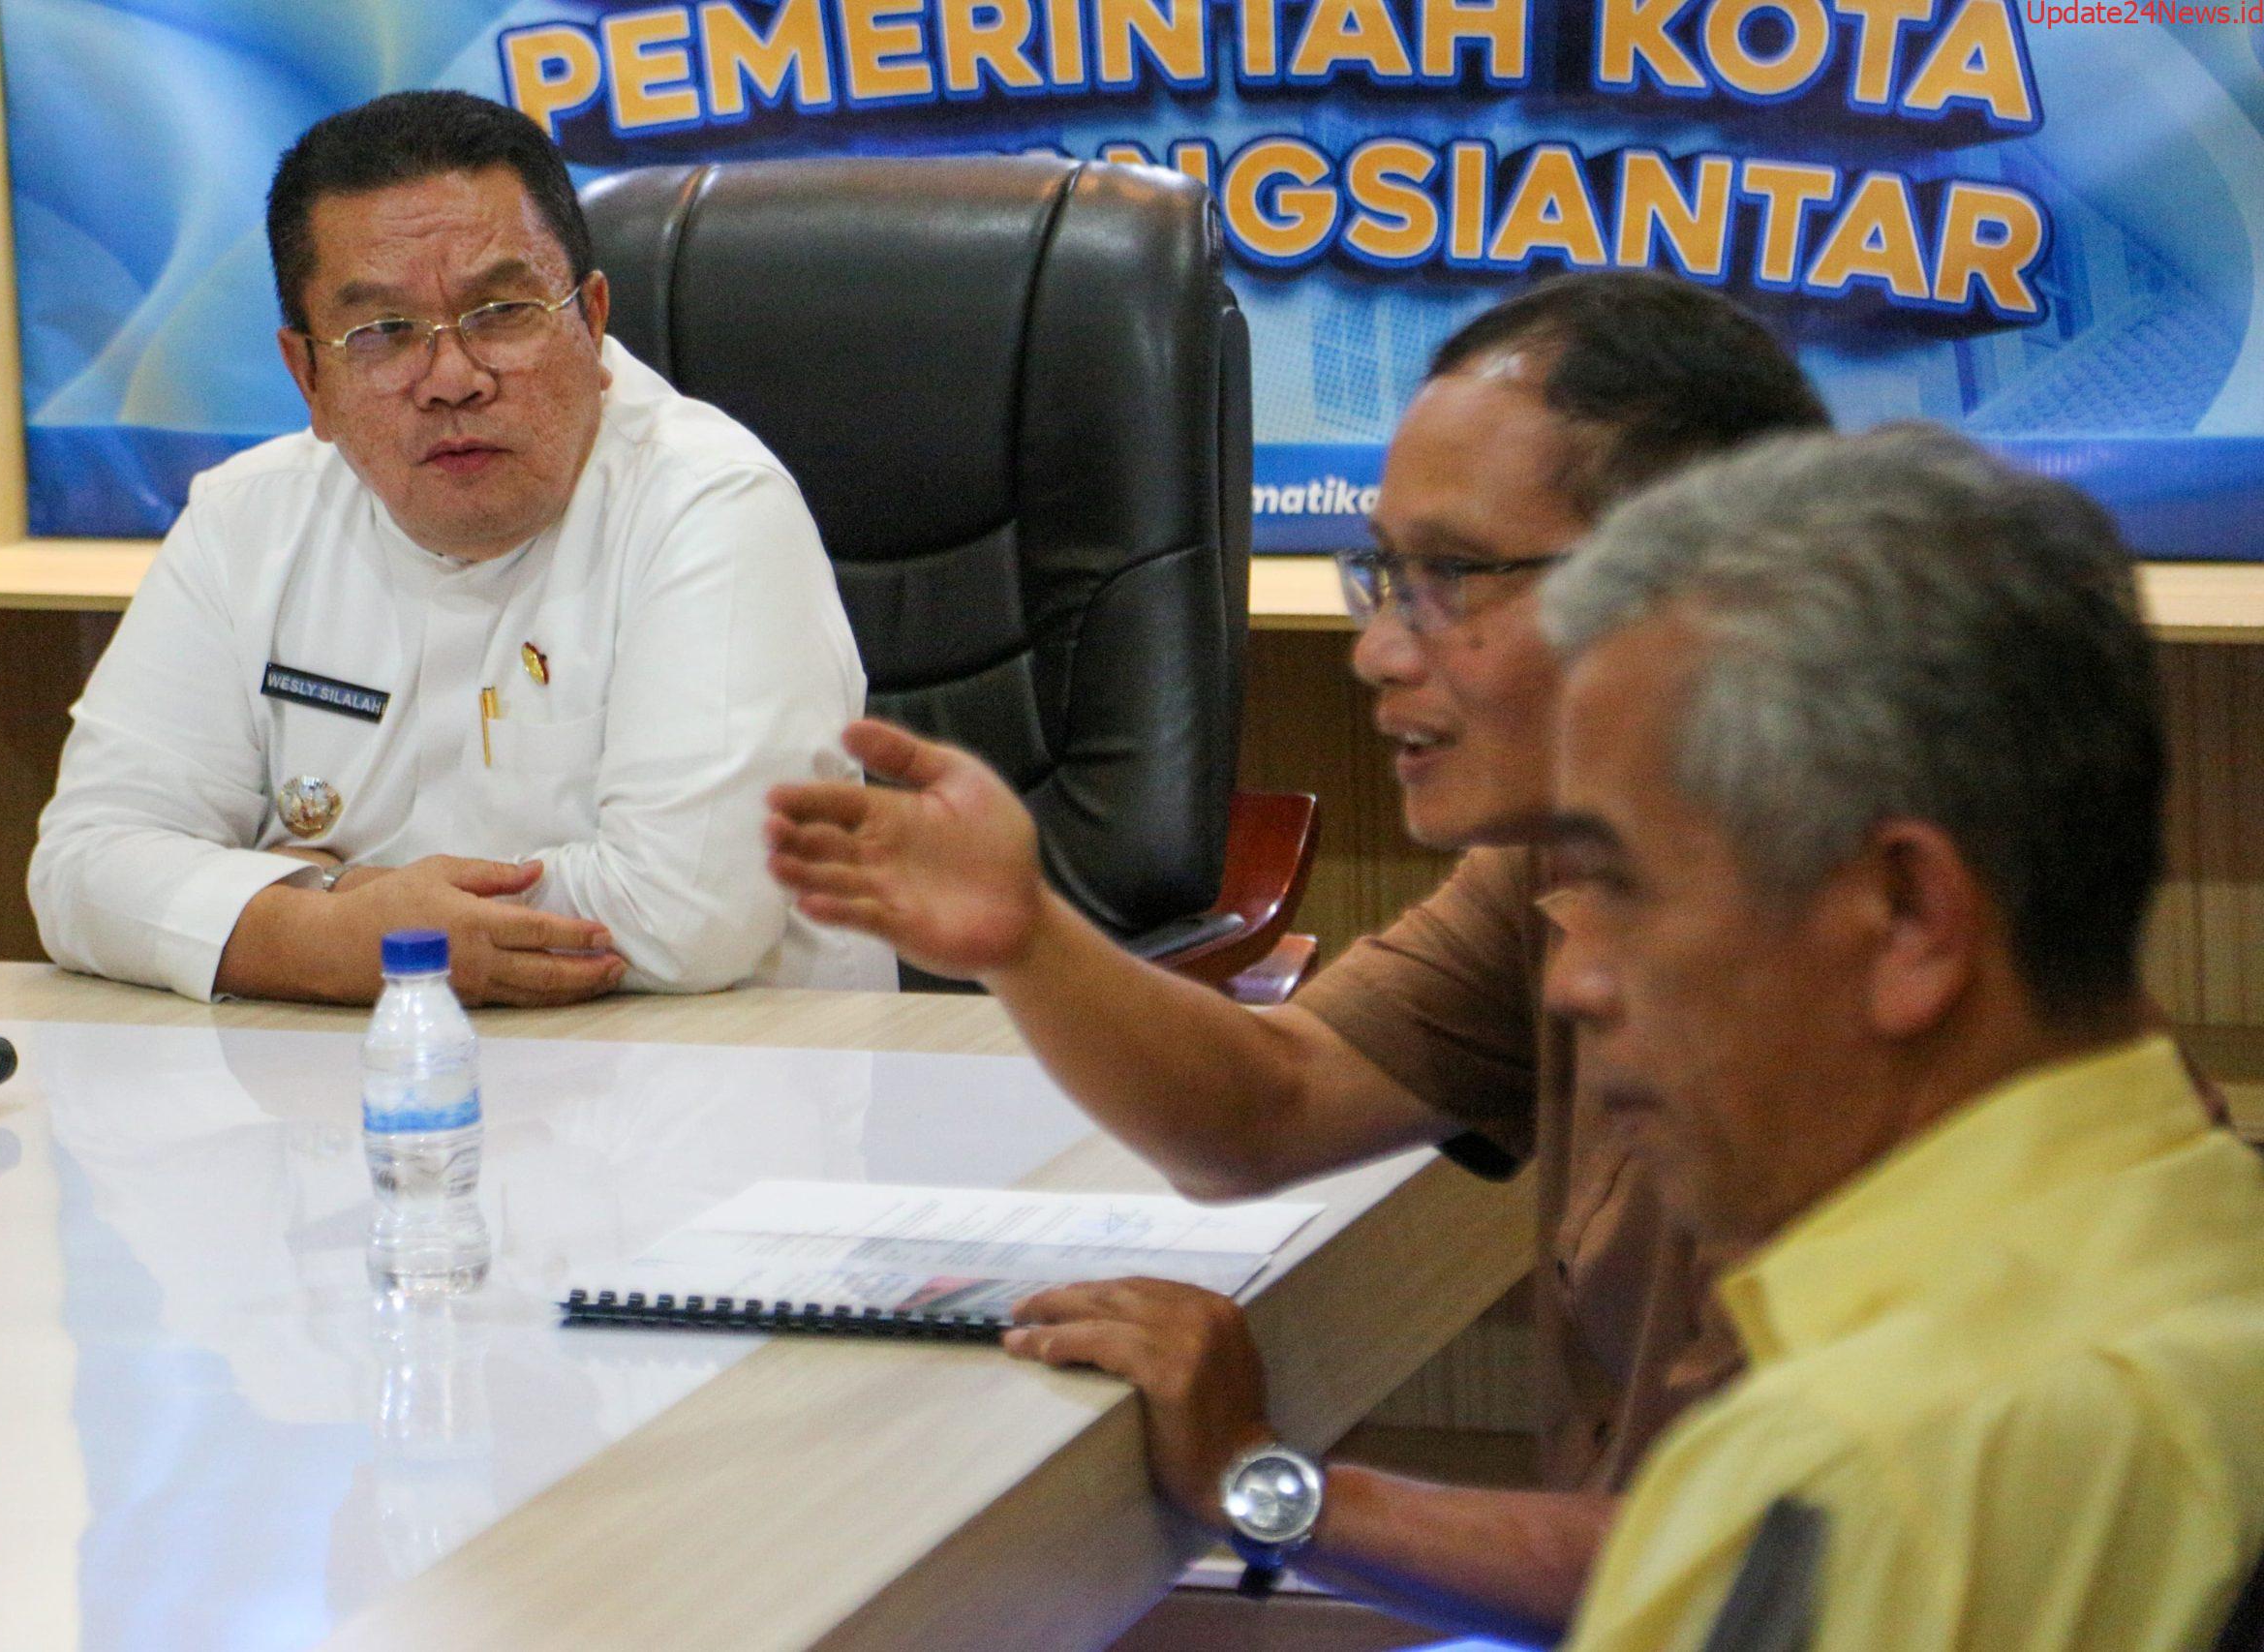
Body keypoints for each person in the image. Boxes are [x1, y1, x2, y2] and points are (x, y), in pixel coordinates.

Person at [1011, 427, 2264, 1651]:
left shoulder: (1861, 1468)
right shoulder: (2199, 1227)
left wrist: (1260, 1483)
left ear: (1907, 915)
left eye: (1628, 884)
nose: (1573, 980)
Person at [766, 270, 1831, 1636]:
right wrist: (1026, 935)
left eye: (1452, 579)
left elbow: (1756, 1573)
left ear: (1700, 594)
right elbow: (1268, 1105)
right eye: (1384, 574)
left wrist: (1266, 1484)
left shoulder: (1854, 971)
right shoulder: (1574, 850)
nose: (1377, 649)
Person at [30, 90, 891, 1006]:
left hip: (712, 1077)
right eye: (382, 333)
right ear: (308, 376)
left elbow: (686, 915)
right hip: (358, 1077)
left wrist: (336, 910)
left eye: (502, 311)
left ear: (592, 320)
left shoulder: (710, 503)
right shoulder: (247, 518)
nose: (451, 378)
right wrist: (329, 933)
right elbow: (82, 866)